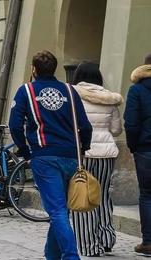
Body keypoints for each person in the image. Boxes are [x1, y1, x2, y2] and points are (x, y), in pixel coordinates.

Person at [11, 50, 93, 260]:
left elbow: (15, 125)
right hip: (71, 156)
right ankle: (51, 255)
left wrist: (24, 150)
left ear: (34, 69)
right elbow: (85, 126)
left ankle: (71, 256)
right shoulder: (69, 90)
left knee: (56, 211)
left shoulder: (26, 91)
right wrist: (82, 149)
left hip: (45, 156)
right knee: (61, 211)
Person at [71, 62, 123, 256]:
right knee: (102, 195)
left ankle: (89, 245)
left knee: (83, 195)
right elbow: (117, 129)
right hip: (107, 154)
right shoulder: (109, 98)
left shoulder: (73, 95)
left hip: (83, 153)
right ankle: (106, 238)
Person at [125, 55, 151, 257]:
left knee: (147, 194)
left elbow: (131, 123)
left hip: (146, 148)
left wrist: (133, 146)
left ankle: (149, 242)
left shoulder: (137, 90)